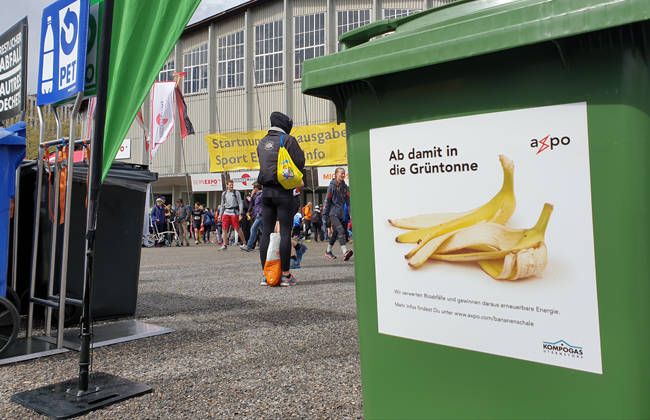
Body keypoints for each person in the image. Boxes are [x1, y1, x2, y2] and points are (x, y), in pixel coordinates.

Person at [256, 111, 306, 286]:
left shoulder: (262, 142)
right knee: (285, 233)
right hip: (284, 192)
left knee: (266, 234)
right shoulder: (287, 140)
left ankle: (266, 275)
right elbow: (300, 161)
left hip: (266, 193)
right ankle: (285, 275)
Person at [323, 167, 353, 261]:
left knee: (335, 233)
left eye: (344, 173)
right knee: (341, 230)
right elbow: (327, 201)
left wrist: (350, 214)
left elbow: (348, 202)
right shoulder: (332, 186)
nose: (343, 175)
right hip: (332, 214)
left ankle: (328, 251)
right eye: (341, 173)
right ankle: (345, 252)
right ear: (336, 174)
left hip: (341, 214)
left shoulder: (345, 187)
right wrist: (324, 215)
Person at [218, 179, 247, 251]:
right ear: (227, 185)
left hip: (234, 212)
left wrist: (240, 213)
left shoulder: (236, 192)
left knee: (237, 228)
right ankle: (224, 245)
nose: (231, 186)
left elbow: (240, 203)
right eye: (230, 185)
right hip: (226, 212)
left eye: (232, 185)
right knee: (224, 229)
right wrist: (220, 214)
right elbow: (222, 204)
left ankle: (244, 243)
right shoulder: (224, 193)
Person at [240, 183, 263, 252]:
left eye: (254, 187)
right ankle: (269, 244)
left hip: (261, 214)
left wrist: (260, 211)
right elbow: (252, 204)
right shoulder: (256, 195)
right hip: (257, 214)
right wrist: (252, 196)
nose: (253, 189)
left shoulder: (262, 194)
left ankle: (249, 246)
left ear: (257, 188)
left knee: (253, 229)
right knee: (263, 231)